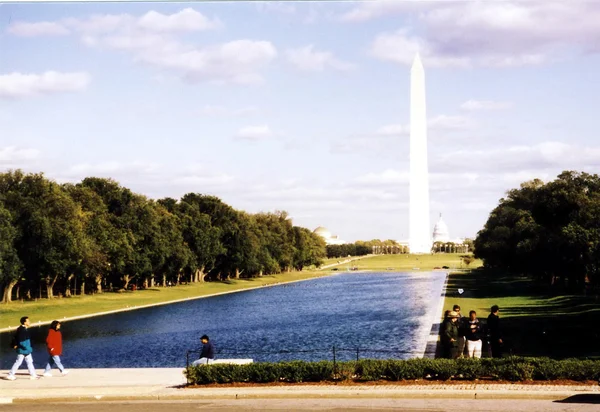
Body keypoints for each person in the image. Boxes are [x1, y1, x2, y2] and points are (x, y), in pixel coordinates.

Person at [6, 316, 39, 380]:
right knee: (18, 362)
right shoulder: (22, 330)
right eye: (28, 321)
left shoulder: (23, 329)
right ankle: (10, 375)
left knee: (29, 362)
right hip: (23, 349)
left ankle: (33, 375)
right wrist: (28, 348)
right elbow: (22, 342)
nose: (29, 322)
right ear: (24, 322)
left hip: (25, 350)